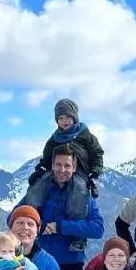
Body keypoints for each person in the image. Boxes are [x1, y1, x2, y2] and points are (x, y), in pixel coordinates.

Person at [18, 148, 104, 270]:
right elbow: (15, 216)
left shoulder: (83, 194)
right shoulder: (38, 190)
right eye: (58, 164)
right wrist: (37, 226)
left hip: (70, 262)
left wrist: (62, 226)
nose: (62, 169)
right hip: (37, 259)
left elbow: (97, 229)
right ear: (52, 165)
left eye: (67, 165)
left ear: (74, 167)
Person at [25, 98, 105, 253]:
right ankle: (34, 222)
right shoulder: (54, 139)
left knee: (79, 192)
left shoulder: (85, 135)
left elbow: (97, 154)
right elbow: (47, 158)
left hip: (80, 174)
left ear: (75, 117)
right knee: (37, 187)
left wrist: (94, 172)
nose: (64, 121)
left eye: (68, 117)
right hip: (54, 172)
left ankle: (78, 237)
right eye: (60, 118)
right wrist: (41, 170)